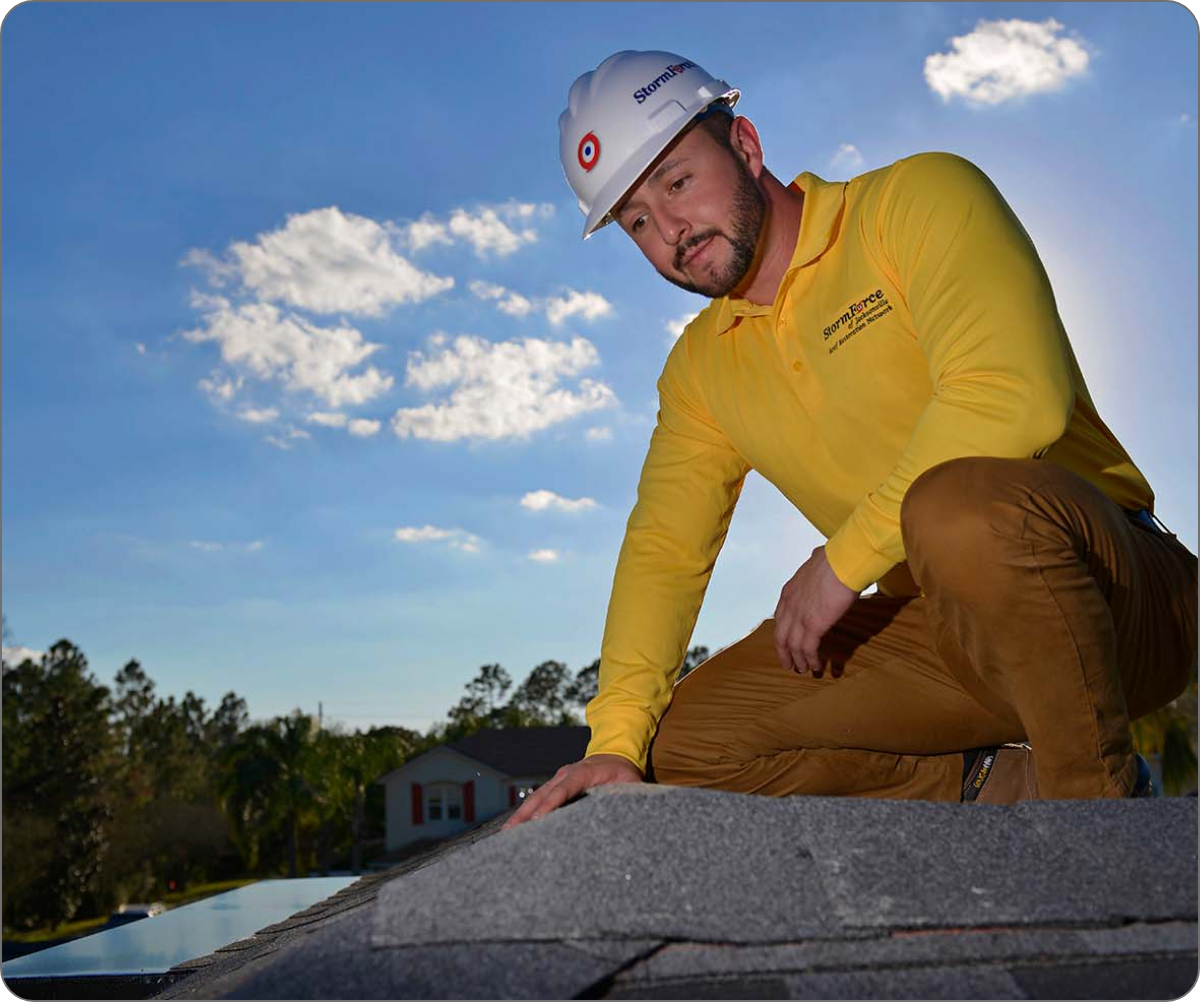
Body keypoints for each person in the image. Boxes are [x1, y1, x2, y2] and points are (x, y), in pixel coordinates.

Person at [504, 50, 1197, 828]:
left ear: (746, 146)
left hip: (1120, 596)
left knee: (957, 505)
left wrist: (842, 562)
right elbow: (663, 550)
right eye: (636, 220)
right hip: (942, 634)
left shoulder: (917, 200)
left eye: (676, 181)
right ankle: (1001, 784)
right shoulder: (699, 370)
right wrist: (616, 741)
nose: (670, 230)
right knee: (686, 749)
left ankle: (1095, 819)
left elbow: (1014, 397)